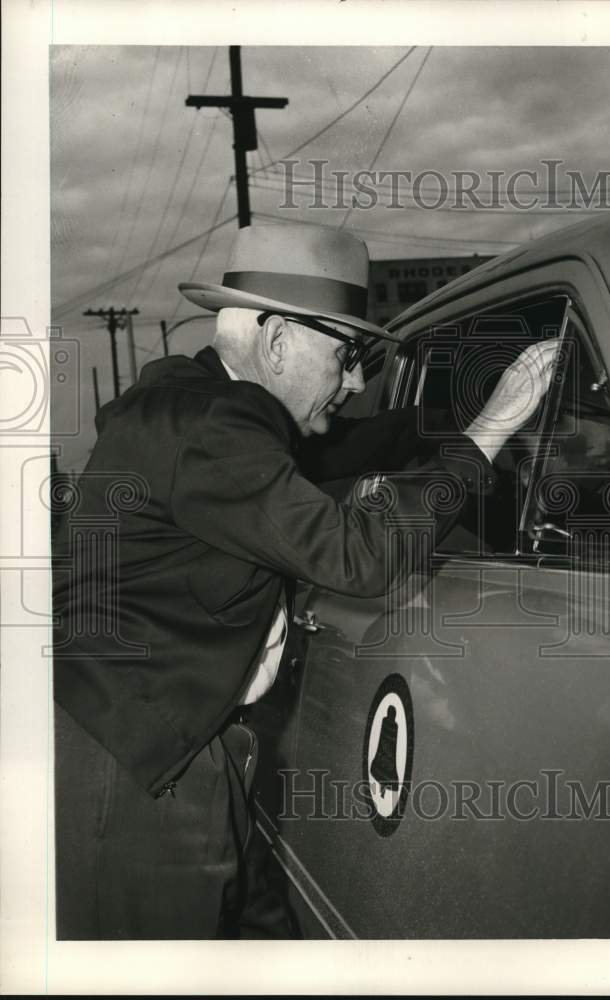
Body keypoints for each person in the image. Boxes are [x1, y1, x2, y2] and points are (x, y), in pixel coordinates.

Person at [52, 220, 560, 939]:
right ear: (278, 341)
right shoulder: (213, 429)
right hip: (144, 772)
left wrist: (440, 423)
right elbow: (359, 555)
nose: (355, 381)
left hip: (163, 744)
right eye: (346, 355)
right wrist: (490, 431)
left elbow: (343, 445)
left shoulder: (189, 405)